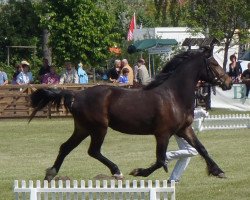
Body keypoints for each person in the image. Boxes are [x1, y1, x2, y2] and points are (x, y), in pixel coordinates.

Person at [166, 107, 209, 184]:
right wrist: (200, 112)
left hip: (180, 127)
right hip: (181, 129)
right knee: (194, 151)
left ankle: (174, 179)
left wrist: (200, 113)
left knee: (186, 156)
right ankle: (167, 156)